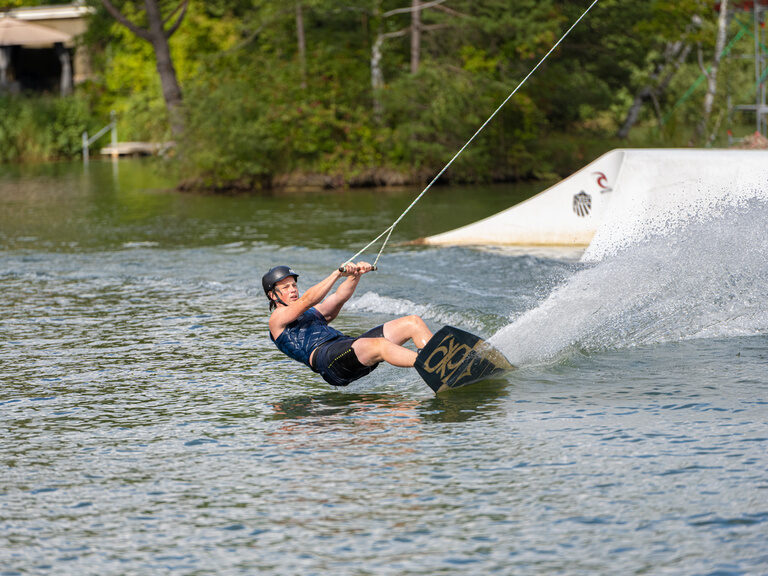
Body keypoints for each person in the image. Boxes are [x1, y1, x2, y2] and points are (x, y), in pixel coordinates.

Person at [263, 263, 433, 387]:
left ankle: (443, 362)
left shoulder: (312, 313)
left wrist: (355, 275)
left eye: (294, 285)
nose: (293, 289)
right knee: (380, 345)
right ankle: (433, 365)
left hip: (347, 348)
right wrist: (335, 274)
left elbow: (339, 297)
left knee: (413, 322)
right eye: (286, 287)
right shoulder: (277, 319)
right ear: (272, 295)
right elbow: (307, 300)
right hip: (329, 362)